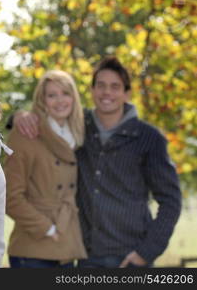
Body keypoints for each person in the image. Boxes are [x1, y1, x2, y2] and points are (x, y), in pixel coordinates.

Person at [12, 57, 181, 268]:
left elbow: (171, 201)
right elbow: (46, 123)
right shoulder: (79, 129)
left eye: (115, 87)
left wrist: (146, 252)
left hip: (129, 257)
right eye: (100, 86)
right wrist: (20, 116)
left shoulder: (149, 138)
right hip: (85, 256)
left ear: (127, 93)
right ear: (91, 91)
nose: (107, 93)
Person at [4, 70, 87, 268]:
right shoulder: (26, 133)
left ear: (74, 98)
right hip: (33, 249)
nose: (60, 101)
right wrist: (47, 228)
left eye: (65, 93)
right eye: (52, 95)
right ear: (42, 100)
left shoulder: (78, 133)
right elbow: (10, 197)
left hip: (66, 245)